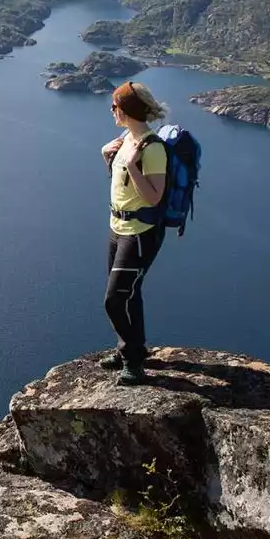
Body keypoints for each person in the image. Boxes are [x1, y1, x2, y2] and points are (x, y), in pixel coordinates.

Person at [98, 81, 169, 385]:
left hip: (140, 233)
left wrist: (132, 166)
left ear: (124, 110)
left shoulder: (152, 148)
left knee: (114, 299)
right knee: (129, 294)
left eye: (114, 106)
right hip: (118, 228)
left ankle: (134, 363)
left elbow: (154, 196)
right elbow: (122, 183)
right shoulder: (127, 138)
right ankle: (130, 348)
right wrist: (108, 156)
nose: (111, 111)